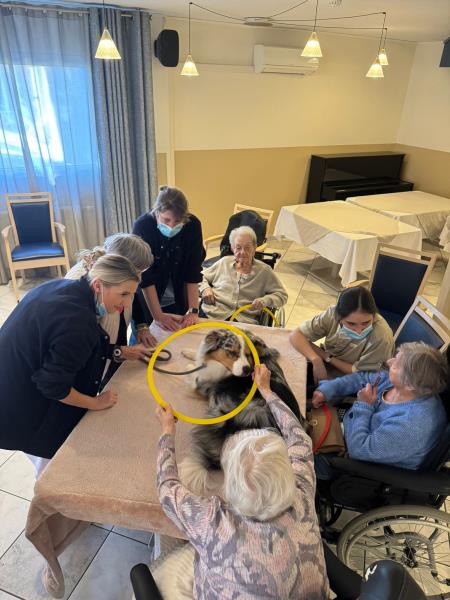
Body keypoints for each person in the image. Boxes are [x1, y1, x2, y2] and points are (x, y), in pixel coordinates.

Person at [154, 364, 330, 599]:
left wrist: (167, 430)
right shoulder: (304, 489)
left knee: (171, 562)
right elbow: (298, 435)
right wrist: (266, 391)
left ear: (229, 486)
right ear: (287, 471)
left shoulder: (211, 521)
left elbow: (166, 487)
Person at [0, 254, 141, 478]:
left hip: (11, 379)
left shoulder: (63, 288)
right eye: (123, 294)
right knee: (52, 472)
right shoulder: (78, 321)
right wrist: (95, 402)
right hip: (19, 405)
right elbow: (53, 386)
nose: (126, 303)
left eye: (131, 295)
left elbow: (65, 344)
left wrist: (119, 351)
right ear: (98, 285)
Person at [312, 342, 448, 478]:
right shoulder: (401, 383)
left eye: (396, 365)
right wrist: (328, 389)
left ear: (410, 384)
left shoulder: (413, 424)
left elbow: (359, 450)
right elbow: (361, 378)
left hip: (357, 467)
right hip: (348, 427)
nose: (389, 362)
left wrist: (364, 405)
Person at [66, 233, 156, 376]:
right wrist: (116, 350)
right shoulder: (77, 284)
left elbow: (133, 295)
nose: (127, 302)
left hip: (112, 343)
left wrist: (141, 326)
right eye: (136, 272)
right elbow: (82, 341)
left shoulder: (119, 274)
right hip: (96, 352)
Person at [132, 186, 205, 343]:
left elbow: (192, 270)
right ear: (156, 212)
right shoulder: (143, 226)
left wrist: (193, 310)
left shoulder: (192, 225)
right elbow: (145, 276)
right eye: (166, 220)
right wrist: (157, 316)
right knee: (147, 341)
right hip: (148, 298)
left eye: (177, 221)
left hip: (177, 295)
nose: (171, 226)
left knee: (180, 340)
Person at [290, 286, 394, 384]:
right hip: (329, 363)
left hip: (358, 381)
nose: (359, 330)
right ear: (338, 317)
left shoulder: (381, 336)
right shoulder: (332, 314)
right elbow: (296, 334)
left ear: (374, 316)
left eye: (366, 323)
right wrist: (315, 359)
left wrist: (325, 356)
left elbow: (359, 373)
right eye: (351, 323)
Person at [199, 226, 287, 324]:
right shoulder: (224, 262)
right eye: (238, 248)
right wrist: (205, 289)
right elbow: (199, 277)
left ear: (254, 248)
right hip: (213, 315)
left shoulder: (264, 271)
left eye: (247, 248)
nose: (243, 252)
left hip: (244, 322)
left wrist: (265, 300)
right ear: (232, 248)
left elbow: (282, 295)